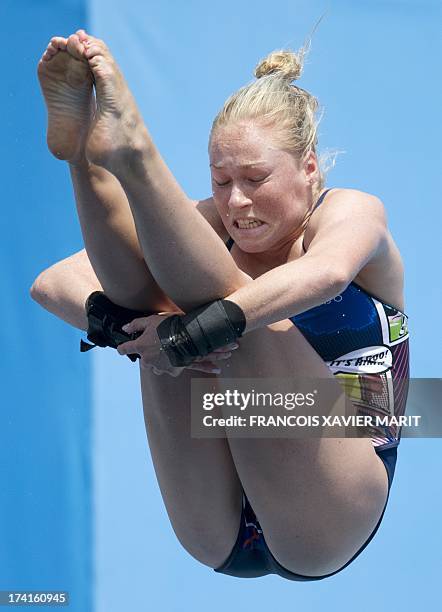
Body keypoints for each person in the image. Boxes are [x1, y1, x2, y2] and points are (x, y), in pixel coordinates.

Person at [31, 29, 410, 581]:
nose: (236, 202)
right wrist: (134, 329)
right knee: (148, 302)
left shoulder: (350, 211)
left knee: (235, 315)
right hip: (218, 529)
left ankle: (135, 157)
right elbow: (51, 282)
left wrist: (193, 331)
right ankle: (86, 162)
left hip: (332, 509)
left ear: (309, 168)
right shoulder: (209, 222)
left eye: (255, 178)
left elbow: (326, 274)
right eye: (220, 180)